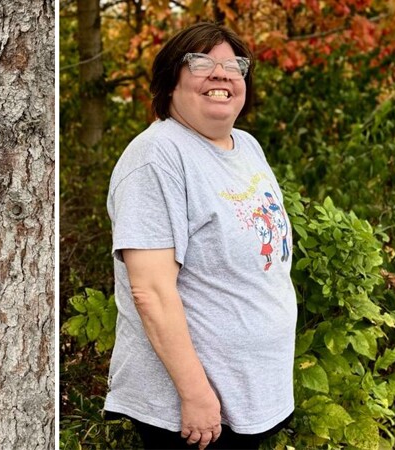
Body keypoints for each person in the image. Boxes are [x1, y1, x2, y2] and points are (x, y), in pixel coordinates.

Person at [104, 23, 296, 450]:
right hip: (195, 412)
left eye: (234, 65)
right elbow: (151, 292)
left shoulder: (246, 147)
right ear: (171, 81)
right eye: (201, 63)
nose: (221, 74)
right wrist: (196, 396)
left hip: (250, 393)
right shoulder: (156, 158)